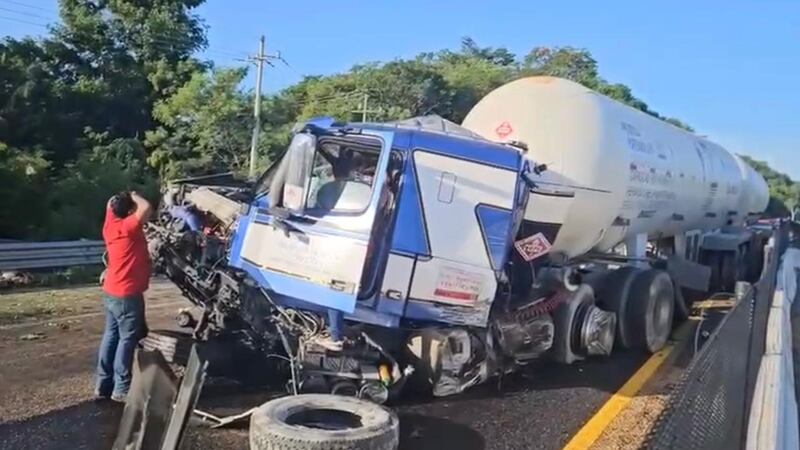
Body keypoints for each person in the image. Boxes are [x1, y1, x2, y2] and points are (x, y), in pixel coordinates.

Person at [96, 191, 152, 402]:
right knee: (127, 340)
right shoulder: (129, 228)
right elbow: (146, 207)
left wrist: (121, 198)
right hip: (128, 295)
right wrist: (134, 194)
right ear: (129, 212)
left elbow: (111, 204)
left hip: (111, 291)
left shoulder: (109, 226)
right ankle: (121, 389)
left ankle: (103, 385)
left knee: (111, 336)